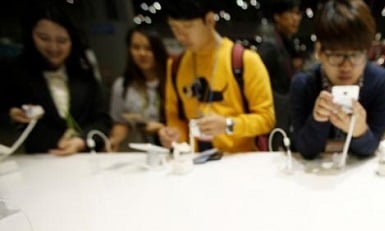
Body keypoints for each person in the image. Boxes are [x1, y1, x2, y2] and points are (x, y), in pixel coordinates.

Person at [159, 0, 275, 153]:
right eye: (174, 28)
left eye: (187, 27)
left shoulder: (245, 61)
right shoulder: (175, 66)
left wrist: (228, 125)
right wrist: (173, 134)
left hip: (242, 160)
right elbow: (174, 115)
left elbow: (267, 119)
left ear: (210, 20)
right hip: (196, 161)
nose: (180, 36)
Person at [290, 0, 385, 160]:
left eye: (355, 55)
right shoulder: (303, 83)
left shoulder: (384, 84)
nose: (346, 66)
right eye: (336, 55)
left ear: (367, 52)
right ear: (319, 51)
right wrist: (318, 120)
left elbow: (370, 148)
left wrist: (360, 132)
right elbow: (305, 150)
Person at [0, 2, 111, 155]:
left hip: (85, 157)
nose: (54, 48)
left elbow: (102, 120)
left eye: (62, 41)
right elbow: (5, 113)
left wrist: (80, 141)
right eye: (44, 38)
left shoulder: (85, 75)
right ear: (30, 35)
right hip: (41, 161)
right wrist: (12, 115)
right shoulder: (16, 74)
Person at [109, 26, 168, 152]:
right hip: (138, 152)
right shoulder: (122, 85)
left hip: (171, 148)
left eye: (148, 48)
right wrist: (114, 140)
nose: (142, 53)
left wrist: (160, 128)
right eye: (136, 48)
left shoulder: (172, 80)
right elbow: (120, 122)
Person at [258, 0, 302, 136]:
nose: (296, 18)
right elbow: (258, 86)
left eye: (298, 13)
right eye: (290, 13)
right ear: (277, 17)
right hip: (273, 120)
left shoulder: (288, 45)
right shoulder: (270, 47)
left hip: (285, 117)